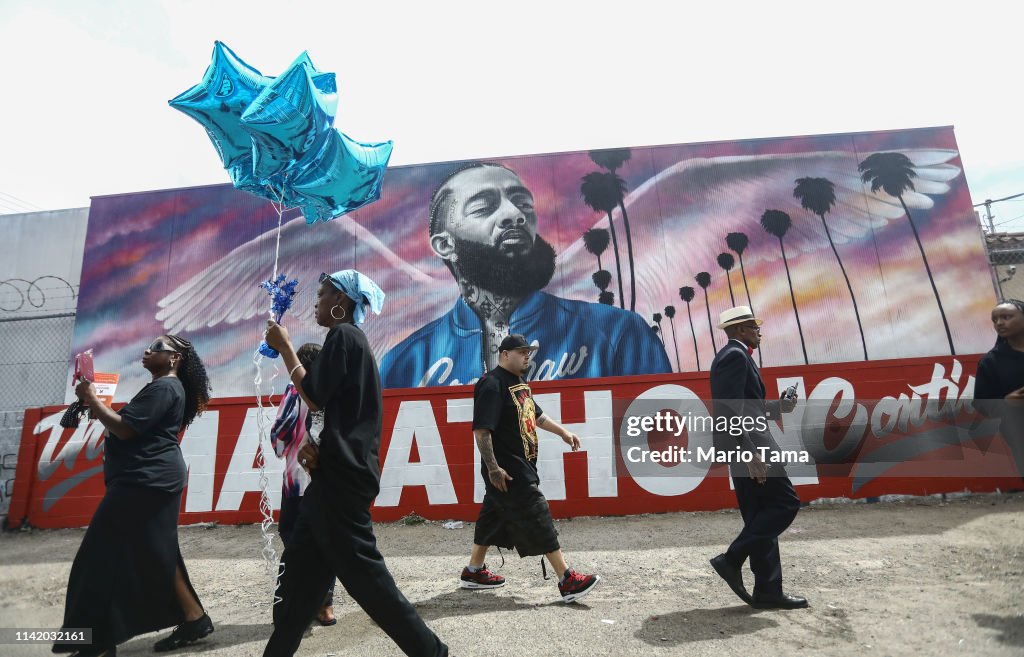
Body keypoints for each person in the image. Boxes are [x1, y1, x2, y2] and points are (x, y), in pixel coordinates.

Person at [262, 270, 448, 657]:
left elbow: (313, 395)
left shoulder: (345, 336)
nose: (315, 302)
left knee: (369, 584)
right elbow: (335, 412)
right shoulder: (349, 342)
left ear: (341, 302)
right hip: (330, 479)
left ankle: (432, 652)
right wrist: (316, 446)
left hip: (341, 484)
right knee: (297, 584)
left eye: (322, 294)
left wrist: (285, 348)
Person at [380, 162, 672, 388]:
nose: (514, 214)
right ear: (445, 245)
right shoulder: (403, 364)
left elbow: (663, 455)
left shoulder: (619, 334)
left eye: (523, 204)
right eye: (484, 207)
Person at [53, 335, 214, 657]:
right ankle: (194, 618)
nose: (147, 350)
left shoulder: (166, 388)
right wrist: (93, 404)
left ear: (174, 359)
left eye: (157, 348)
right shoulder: (165, 388)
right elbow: (130, 426)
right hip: (151, 479)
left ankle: (95, 643)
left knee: (99, 559)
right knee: (157, 549)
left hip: (145, 481)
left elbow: (126, 428)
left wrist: (92, 399)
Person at [460, 333, 601, 603]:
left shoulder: (519, 383)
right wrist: (493, 469)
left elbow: (535, 414)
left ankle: (473, 572)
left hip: (519, 465)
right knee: (537, 514)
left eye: (528, 352)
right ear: (504, 354)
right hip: (509, 470)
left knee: (492, 516)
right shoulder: (492, 384)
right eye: (522, 352)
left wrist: (563, 432)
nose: (527, 356)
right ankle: (567, 579)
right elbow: (481, 431)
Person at [707, 306, 806, 610]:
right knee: (785, 503)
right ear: (739, 331)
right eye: (753, 326)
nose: (759, 331)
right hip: (751, 446)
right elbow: (728, 411)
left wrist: (780, 408)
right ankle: (732, 558)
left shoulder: (736, 356)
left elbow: (748, 408)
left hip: (746, 444)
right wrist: (750, 452)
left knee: (761, 515)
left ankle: (768, 590)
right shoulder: (735, 357)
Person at [270, 342, 338, 627]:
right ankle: (324, 605)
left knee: (293, 536)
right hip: (327, 479)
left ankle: (303, 601)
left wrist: (284, 445)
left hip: (297, 480)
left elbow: (280, 431)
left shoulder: (295, 390)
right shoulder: (334, 390)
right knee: (327, 540)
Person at [973, 298, 1024, 478]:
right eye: (995, 320)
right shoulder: (991, 362)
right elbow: (981, 404)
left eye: (1006, 317)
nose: (1000, 323)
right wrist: (1006, 402)